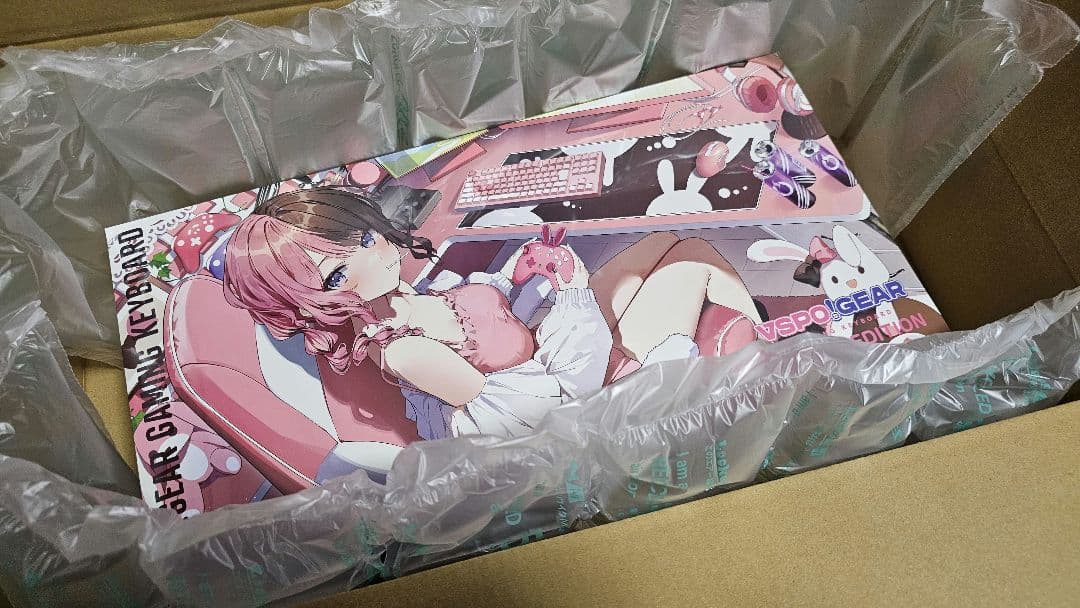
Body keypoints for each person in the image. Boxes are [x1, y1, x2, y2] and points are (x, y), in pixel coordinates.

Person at [224, 186, 761, 440]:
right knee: (692, 261)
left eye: (364, 237)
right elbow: (542, 414)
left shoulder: (399, 299)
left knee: (667, 238)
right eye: (336, 276)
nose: (375, 254)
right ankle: (772, 355)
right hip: (587, 392)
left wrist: (515, 278)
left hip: (556, 345)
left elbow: (483, 321)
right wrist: (575, 296)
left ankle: (761, 331)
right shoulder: (406, 351)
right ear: (311, 303)